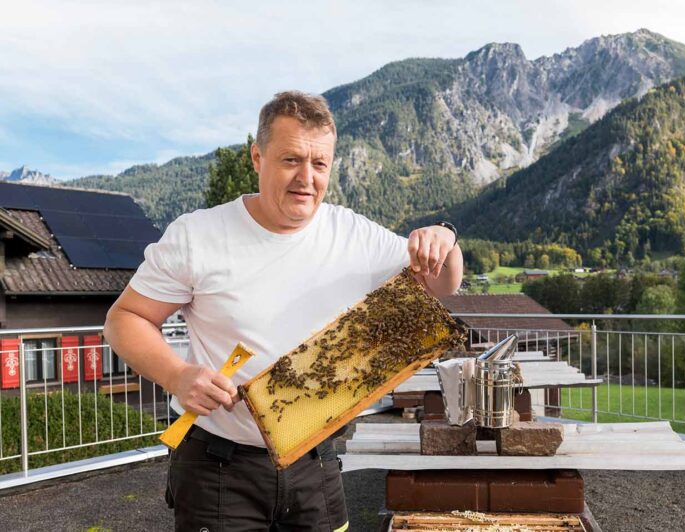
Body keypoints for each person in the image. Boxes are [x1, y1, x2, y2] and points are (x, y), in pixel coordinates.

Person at [103, 90, 463, 531]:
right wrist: (177, 375)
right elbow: (125, 319)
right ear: (257, 157)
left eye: (319, 164)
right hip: (219, 464)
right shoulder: (198, 236)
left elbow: (442, 283)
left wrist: (445, 239)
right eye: (291, 160)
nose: (306, 178)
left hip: (315, 460)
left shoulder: (353, 234)